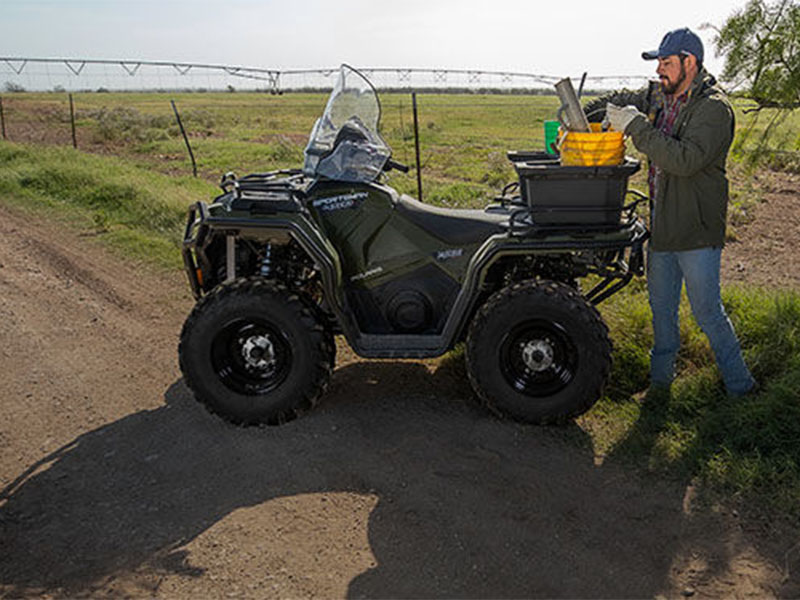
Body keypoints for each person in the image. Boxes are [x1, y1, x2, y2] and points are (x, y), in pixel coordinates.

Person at [601, 27, 756, 397]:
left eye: (666, 63)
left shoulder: (714, 109)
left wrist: (636, 126)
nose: (659, 71)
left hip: (696, 230)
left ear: (691, 63)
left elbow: (684, 160)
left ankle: (741, 386)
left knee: (707, 313)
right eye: (658, 64)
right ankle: (660, 385)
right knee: (662, 311)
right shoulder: (665, 96)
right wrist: (598, 108)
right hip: (665, 225)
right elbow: (631, 97)